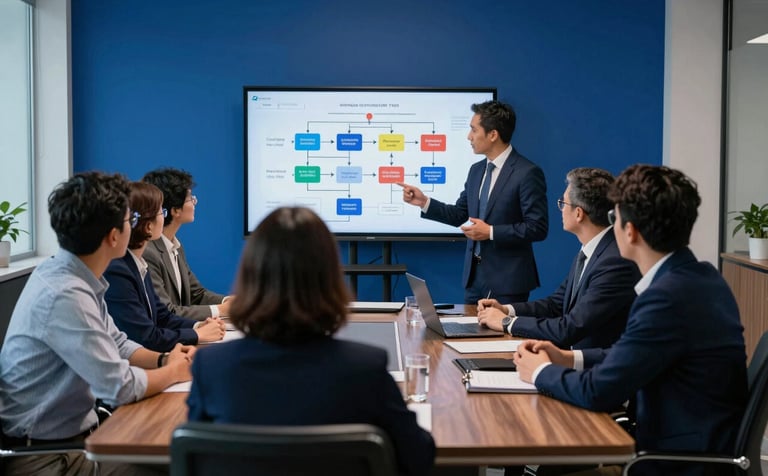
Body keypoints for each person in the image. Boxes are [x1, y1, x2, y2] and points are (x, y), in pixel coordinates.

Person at [514, 165, 748, 476]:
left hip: (671, 464)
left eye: (614, 217)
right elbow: (633, 353)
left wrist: (539, 371)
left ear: (630, 230)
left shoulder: (665, 298)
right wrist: (568, 358)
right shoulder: (703, 278)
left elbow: (598, 392)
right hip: (686, 447)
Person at [186, 207, 435, 476]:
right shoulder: (365, 368)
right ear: (329, 279)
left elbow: (195, 456)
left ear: (250, 276)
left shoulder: (211, 367)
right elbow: (418, 456)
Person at [0, 172, 195, 476]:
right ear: (114, 236)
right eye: (130, 220)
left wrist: (164, 359)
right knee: (173, 466)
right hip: (47, 458)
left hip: (75, 442)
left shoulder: (73, 275)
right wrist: (173, 372)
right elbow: (119, 387)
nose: (134, 226)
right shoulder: (66, 294)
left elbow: (118, 342)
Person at [398, 100, 548, 304]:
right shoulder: (476, 171)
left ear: (493, 134)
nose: (469, 136)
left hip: (508, 282)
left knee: (499, 327)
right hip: (474, 279)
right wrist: (423, 202)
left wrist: (491, 232)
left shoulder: (527, 173)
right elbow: (459, 214)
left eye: (474, 130)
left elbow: (537, 228)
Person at [476, 168, 640, 350]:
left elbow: (569, 328)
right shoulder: (592, 250)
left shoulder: (614, 262)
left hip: (592, 364)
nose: (561, 210)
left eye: (563, 203)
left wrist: (507, 322)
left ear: (579, 213)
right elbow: (556, 304)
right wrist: (506, 310)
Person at [104, 182, 225, 352]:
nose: (164, 217)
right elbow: (146, 336)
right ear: (148, 226)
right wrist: (197, 334)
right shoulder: (119, 270)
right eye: (162, 212)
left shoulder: (138, 263)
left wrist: (198, 326)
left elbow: (163, 316)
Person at [141, 167, 231, 321]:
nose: (195, 202)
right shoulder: (148, 252)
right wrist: (221, 310)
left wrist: (228, 302)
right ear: (175, 210)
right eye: (190, 198)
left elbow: (197, 294)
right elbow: (166, 311)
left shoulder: (176, 246)